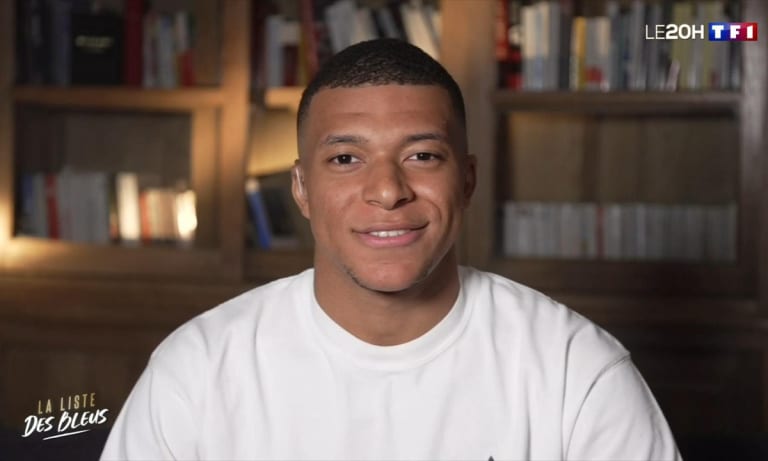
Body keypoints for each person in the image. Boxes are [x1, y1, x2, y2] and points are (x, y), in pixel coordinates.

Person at [101, 39, 681, 461]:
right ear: (301, 188)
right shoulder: (199, 368)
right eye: (345, 159)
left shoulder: (575, 369)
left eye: (422, 156)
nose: (386, 191)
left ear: (467, 181)